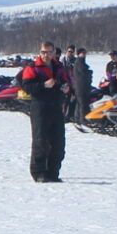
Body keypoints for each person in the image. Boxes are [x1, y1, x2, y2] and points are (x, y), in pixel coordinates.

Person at [17, 41, 73, 183]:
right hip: (40, 106)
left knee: (58, 142)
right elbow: (26, 86)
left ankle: (53, 172)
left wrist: (66, 88)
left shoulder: (59, 67)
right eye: (43, 52)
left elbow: (66, 81)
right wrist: (43, 85)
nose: (46, 55)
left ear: (54, 53)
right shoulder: (33, 67)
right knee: (40, 141)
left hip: (56, 106)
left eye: (48, 52)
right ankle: (39, 173)